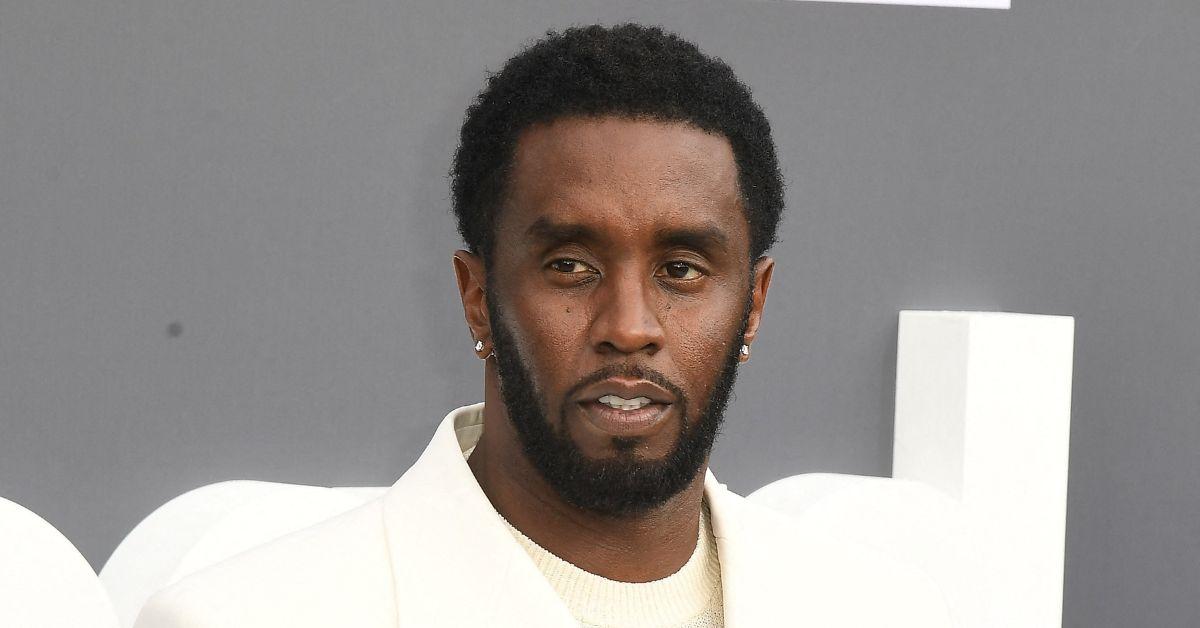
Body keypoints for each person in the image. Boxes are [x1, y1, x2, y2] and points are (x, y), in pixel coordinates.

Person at [134, 24, 952, 628]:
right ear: (476, 297)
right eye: (571, 266)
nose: (629, 327)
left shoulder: (887, 611)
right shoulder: (246, 616)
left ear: (755, 303)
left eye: (682, 271)